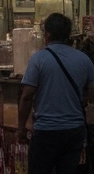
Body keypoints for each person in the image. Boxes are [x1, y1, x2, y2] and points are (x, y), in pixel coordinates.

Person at [19, 13, 94, 174]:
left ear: (47, 35)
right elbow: (92, 92)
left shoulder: (38, 59)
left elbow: (26, 97)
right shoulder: (84, 59)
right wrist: (82, 101)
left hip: (46, 131)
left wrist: (21, 127)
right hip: (74, 130)